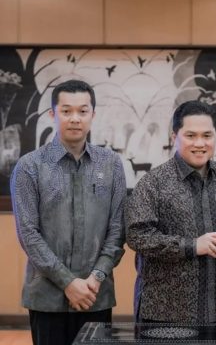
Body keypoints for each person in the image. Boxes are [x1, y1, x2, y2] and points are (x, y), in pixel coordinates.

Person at [11, 79, 126, 345]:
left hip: (95, 295)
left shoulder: (111, 164)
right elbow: (28, 234)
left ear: (93, 114)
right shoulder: (29, 166)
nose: (75, 118)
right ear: (53, 114)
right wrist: (68, 283)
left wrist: (96, 277)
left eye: (82, 111)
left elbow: (118, 229)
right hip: (47, 298)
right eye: (66, 111)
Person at [125, 100, 216, 323]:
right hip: (164, 313)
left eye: (207, 135)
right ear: (174, 137)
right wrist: (192, 246)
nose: (200, 143)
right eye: (190, 135)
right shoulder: (152, 183)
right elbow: (137, 236)